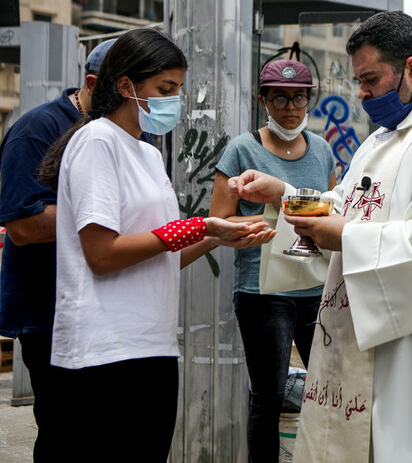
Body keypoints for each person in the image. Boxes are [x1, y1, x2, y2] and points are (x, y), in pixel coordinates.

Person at [227, 11, 412, 462]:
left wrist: (346, 237)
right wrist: (285, 195)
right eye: (358, 81)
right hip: (380, 349)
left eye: (370, 79)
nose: (362, 93)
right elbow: (346, 207)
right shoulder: (380, 142)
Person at [36, 28, 274, 462]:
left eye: (178, 90)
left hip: (153, 347)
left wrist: (217, 233)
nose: (174, 101)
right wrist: (196, 226)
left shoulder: (146, 152)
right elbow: (103, 254)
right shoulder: (97, 142)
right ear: (126, 85)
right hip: (101, 354)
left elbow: (160, 255)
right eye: (165, 89)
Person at [209, 58, 335, 462]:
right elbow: (219, 221)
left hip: (317, 289)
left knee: (327, 391)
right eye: (279, 97)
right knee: (269, 396)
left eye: (299, 96)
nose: (291, 107)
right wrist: (252, 229)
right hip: (263, 291)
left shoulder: (322, 149)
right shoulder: (241, 149)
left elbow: (333, 213)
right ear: (263, 100)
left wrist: (289, 205)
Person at [0, 37, 117, 461]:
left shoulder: (125, 132)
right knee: (66, 433)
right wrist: (111, 218)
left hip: (106, 308)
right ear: (93, 83)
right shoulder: (39, 128)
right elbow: (23, 225)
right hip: (50, 312)